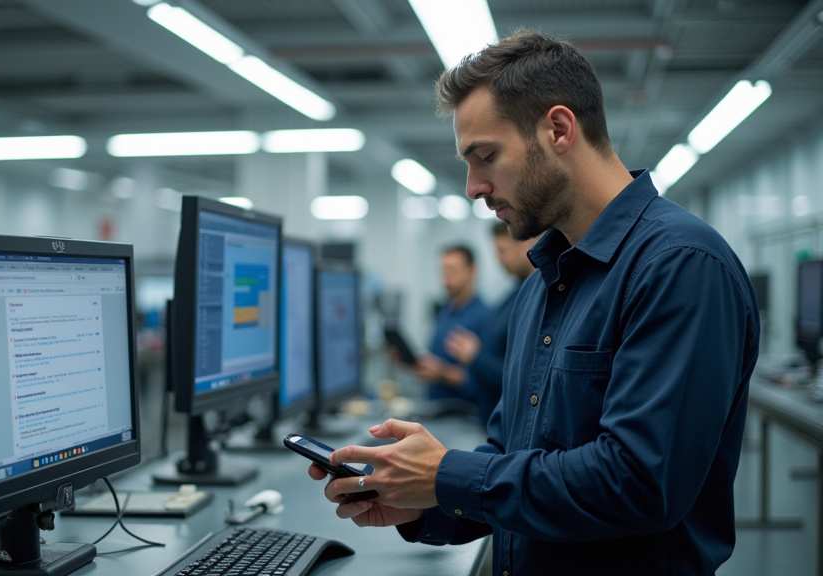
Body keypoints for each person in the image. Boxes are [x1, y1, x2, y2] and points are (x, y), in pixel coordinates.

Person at [310, 30, 760, 575]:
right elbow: (510, 462)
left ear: (558, 129)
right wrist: (418, 500)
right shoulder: (542, 284)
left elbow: (640, 484)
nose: (474, 187)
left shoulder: (680, 265)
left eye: (485, 156)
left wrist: (446, 475)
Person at [444, 221, 537, 426]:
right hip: (490, 420)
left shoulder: (535, 301)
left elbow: (521, 376)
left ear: (525, 244)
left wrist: (475, 357)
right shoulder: (513, 297)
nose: (498, 259)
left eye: (502, 251)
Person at [399, 245, 490, 413]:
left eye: (452, 271)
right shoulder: (446, 311)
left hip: (464, 414)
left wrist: (442, 373)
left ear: (471, 271)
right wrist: (413, 363)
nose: (445, 279)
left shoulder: (486, 317)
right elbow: (437, 359)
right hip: (435, 408)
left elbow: (485, 380)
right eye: (443, 271)